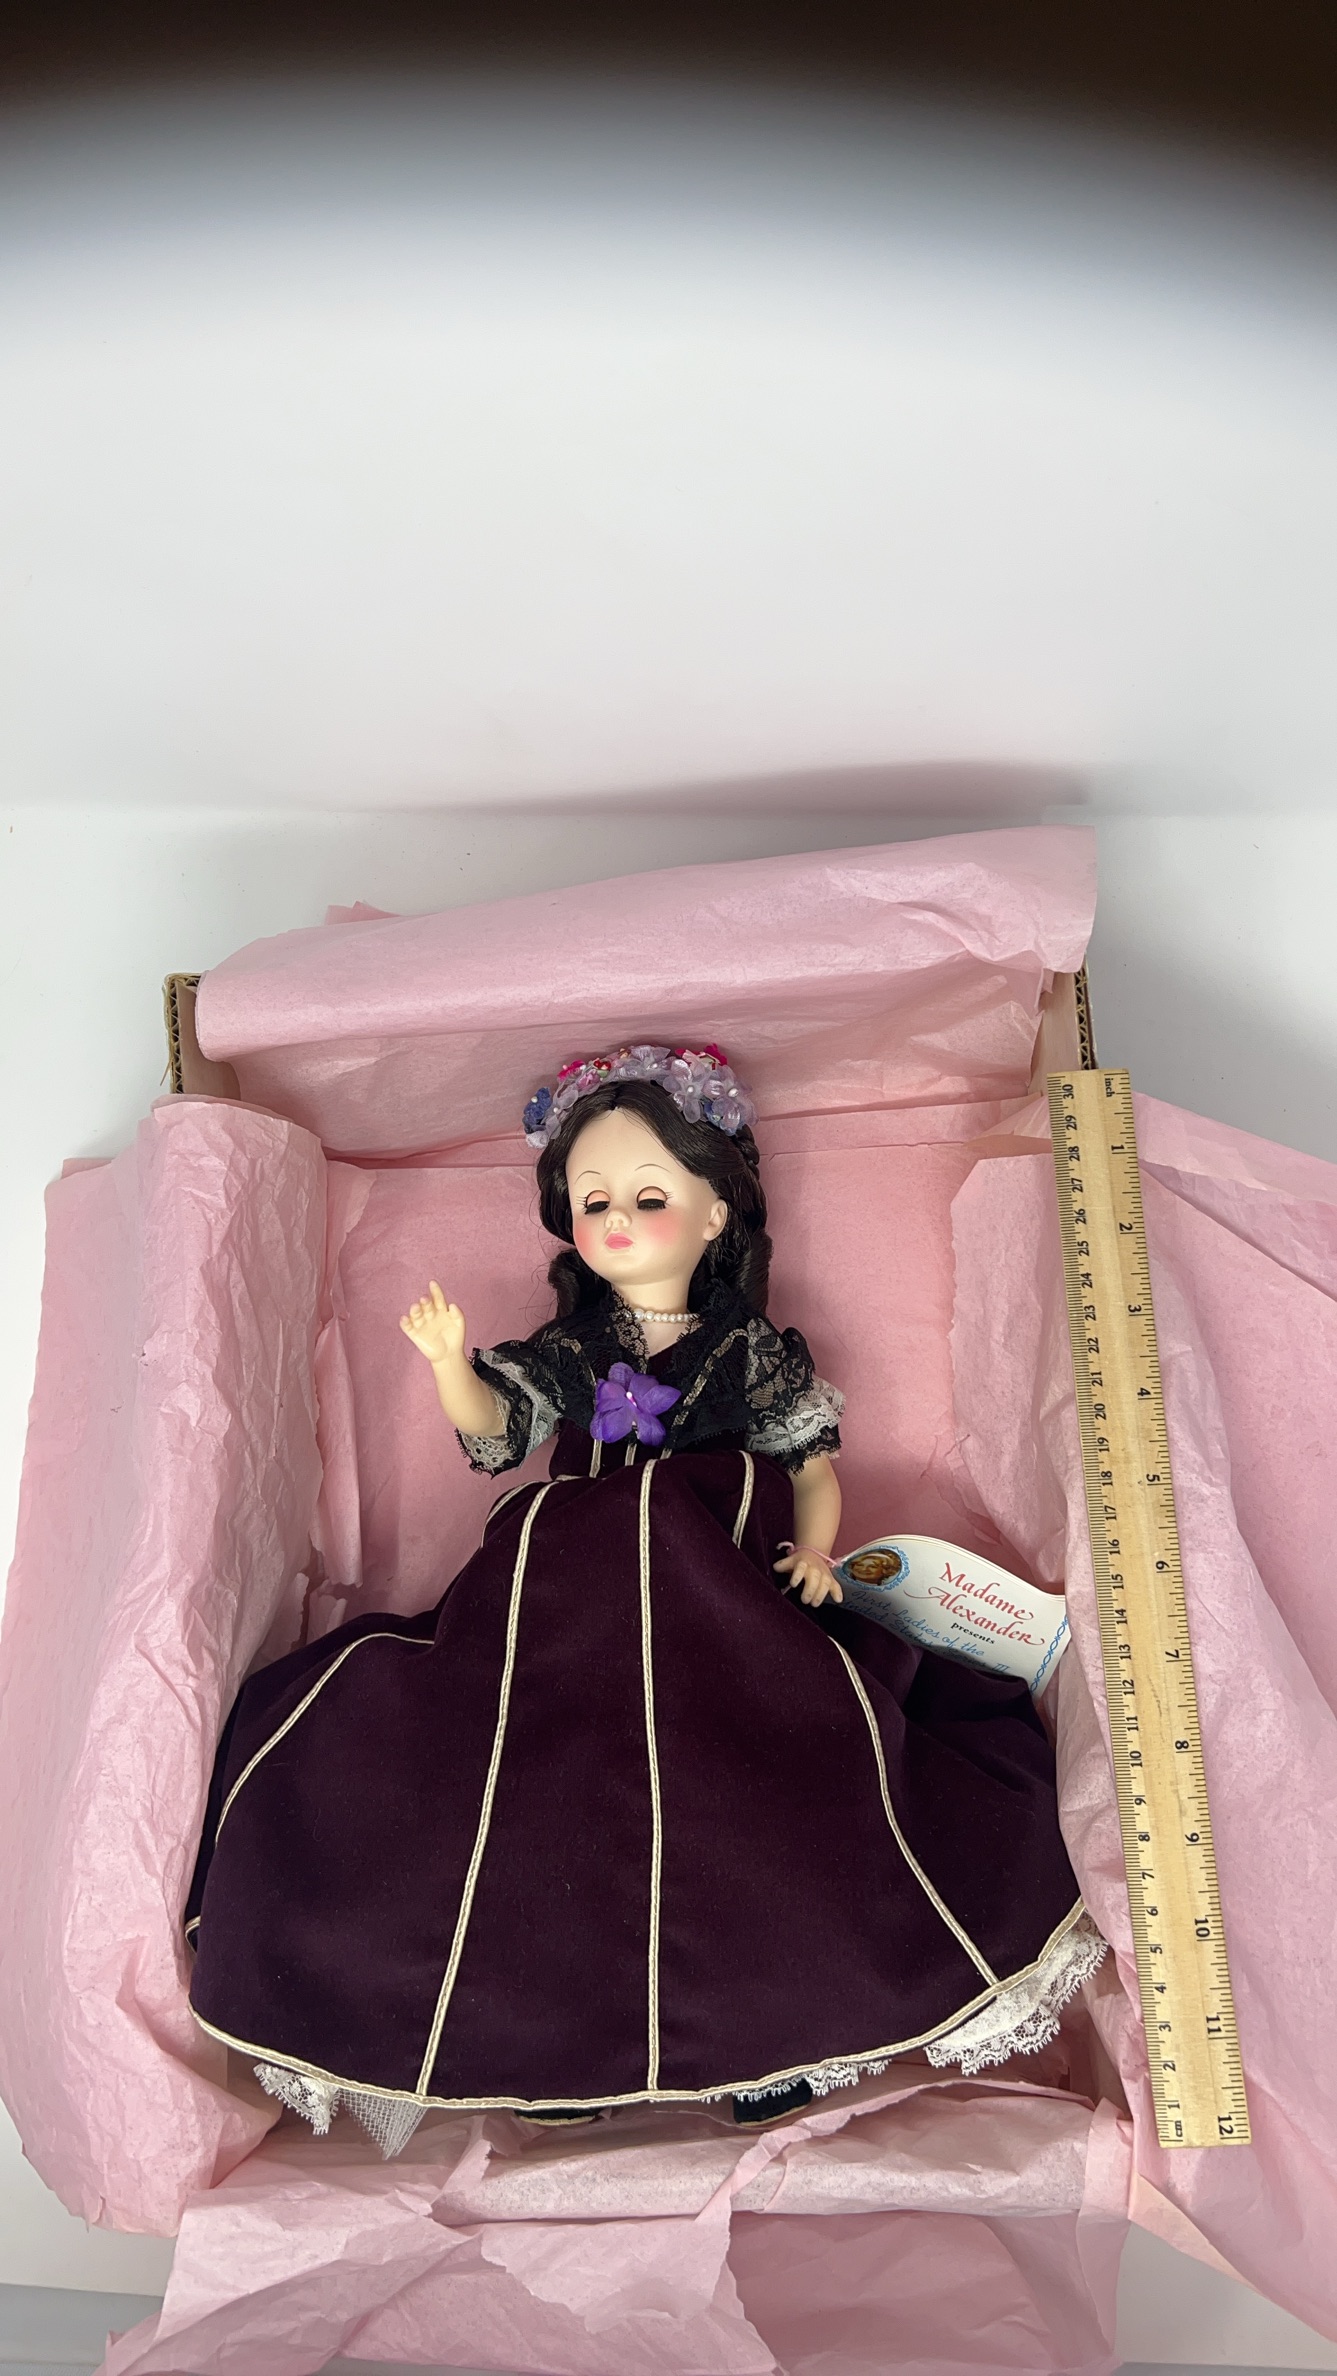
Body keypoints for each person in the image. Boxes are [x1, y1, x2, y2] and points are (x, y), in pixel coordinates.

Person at [185, 1043, 1103, 2156]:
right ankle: (542, 2053)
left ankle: (785, 2037)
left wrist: (818, 1555)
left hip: (722, 1598)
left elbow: (810, 1467)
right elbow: (498, 1434)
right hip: (562, 1606)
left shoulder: (750, 1352)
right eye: (594, 1201)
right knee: (530, 1806)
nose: (617, 1220)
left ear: (716, 1213)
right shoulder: (573, 1349)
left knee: (771, 1803)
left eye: (649, 1197)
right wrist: (446, 1366)